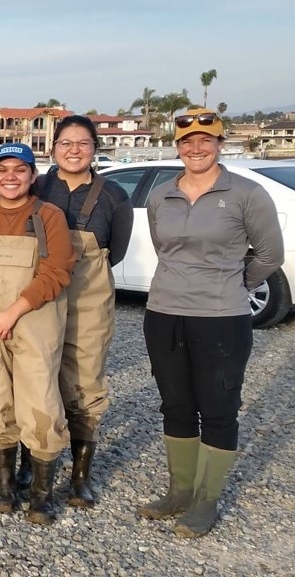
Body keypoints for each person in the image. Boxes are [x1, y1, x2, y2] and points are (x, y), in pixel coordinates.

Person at [136, 108, 281, 538]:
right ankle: (179, 491)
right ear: (177, 147)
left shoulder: (246, 193)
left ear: (220, 144)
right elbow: (165, 248)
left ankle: (206, 500)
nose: (195, 148)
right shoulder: (163, 195)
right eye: (187, 142)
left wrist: (233, 285)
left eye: (205, 140)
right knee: (176, 404)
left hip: (221, 319)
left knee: (218, 410)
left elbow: (270, 255)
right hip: (163, 313)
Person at [0, 142, 76, 525]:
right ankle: (5, 491)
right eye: (2, 170)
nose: (10, 177)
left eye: (19, 170)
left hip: (34, 323)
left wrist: (12, 312)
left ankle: (41, 497)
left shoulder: (49, 216)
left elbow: (57, 270)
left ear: (32, 176)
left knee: (40, 405)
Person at [31, 115, 133, 507]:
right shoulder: (37, 187)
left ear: (94, 148)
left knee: (85, 384)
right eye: (66, 143)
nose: (74, 150)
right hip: (40, 293)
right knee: (37, 376)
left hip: (89, 297)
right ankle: (34, 460)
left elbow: (116, 250)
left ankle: (79, 476)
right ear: (53, 147)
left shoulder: (114, 196)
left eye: (83, 143)